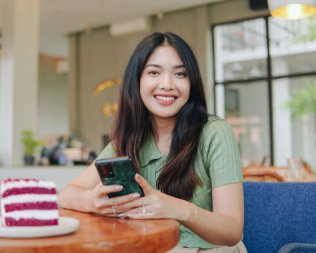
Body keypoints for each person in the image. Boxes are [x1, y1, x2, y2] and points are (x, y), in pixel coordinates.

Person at [59, 33, 246, 252]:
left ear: (191, 83)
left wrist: (177, 209)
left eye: (180, 74)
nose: (167, 84)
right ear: (137, 80)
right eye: (154, 72)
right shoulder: (129, 140)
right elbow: (66, 195)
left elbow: (232, 231)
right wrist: (92, 200)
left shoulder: (215, 133)